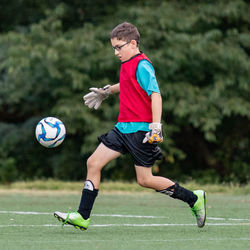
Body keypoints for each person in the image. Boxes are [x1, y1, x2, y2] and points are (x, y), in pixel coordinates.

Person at [54, 22, 207, 230]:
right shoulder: (127, 63)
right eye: (113, 48)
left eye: (119, 47)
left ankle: (194, 199)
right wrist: (107, 91)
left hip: (141, 131)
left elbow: (155, 94)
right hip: (123, 128)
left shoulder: (143, 65)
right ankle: (82, 216)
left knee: (145, 180)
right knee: (93, 163)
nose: (116, 52)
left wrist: (155, 126)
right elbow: (127, 84)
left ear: (133, 43)